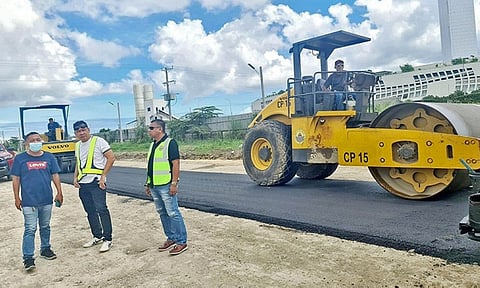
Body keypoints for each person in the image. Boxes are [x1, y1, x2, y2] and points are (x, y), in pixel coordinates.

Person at [11, 131, 64, 271]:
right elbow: (16, 179)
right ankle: (28, 258)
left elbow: (55, 175)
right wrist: (17, 197)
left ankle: (45, 249)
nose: (36, 142)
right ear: (27, 144)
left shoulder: (49, 157)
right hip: (29, 201)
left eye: (38, 139)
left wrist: (59, 192)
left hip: (46, 199)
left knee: (45, 226)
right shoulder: (20, 159)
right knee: (30, 229)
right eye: (32, 140)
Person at [145, 119, 188, 255]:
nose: (149, 130)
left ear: (160, 129)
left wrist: (174, 183)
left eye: (151, 128)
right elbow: (151, 166)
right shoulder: (153, 145)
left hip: (166, 185)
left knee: (173, 213)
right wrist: (148, 183)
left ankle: (182, 242)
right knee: (162, 213)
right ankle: (171, 238)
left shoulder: (170, 143)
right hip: (154, 185)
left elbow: (176, 164)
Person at [72, 120, 115, 253]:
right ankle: (97, 235)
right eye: (78, 131)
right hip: (83, 183)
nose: (81, 132)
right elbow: (78, 163)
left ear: (88, 129)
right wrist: (75, 178)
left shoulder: (99, 141)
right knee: (90, 211)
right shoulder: (77, 145)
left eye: (83, 129)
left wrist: (103, 176)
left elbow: (111, 158)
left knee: (102, 209)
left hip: (96, 182)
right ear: (75, 133)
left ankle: (108, 239)